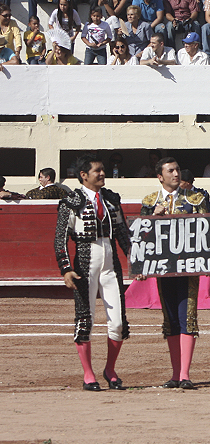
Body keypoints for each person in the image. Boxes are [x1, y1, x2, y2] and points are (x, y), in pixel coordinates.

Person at [54, 154, 131, 391]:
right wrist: (66, 269)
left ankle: (110, 369)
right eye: (97, 171)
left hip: (110, 262)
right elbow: (60, 239)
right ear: (84, 175)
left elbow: (121, 234)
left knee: (118, 322)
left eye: (103, 170)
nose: (102, 174)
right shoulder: (71, 200)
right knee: (85, 319)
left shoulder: (110, 199)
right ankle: (88, 374)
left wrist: (136, 262)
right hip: (85, 262)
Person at [140, 157, 210, 389]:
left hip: (188, 268)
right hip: (164, 270)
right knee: (170, 320)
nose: (176, 173)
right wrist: (152, 217)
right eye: (170, 170)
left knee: (187, 318)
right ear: (160, 176)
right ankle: (175, 374)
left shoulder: (196, 199)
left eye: (178, 169)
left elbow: (209, 230)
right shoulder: (150, 202)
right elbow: (141, 236)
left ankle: (184, 374)